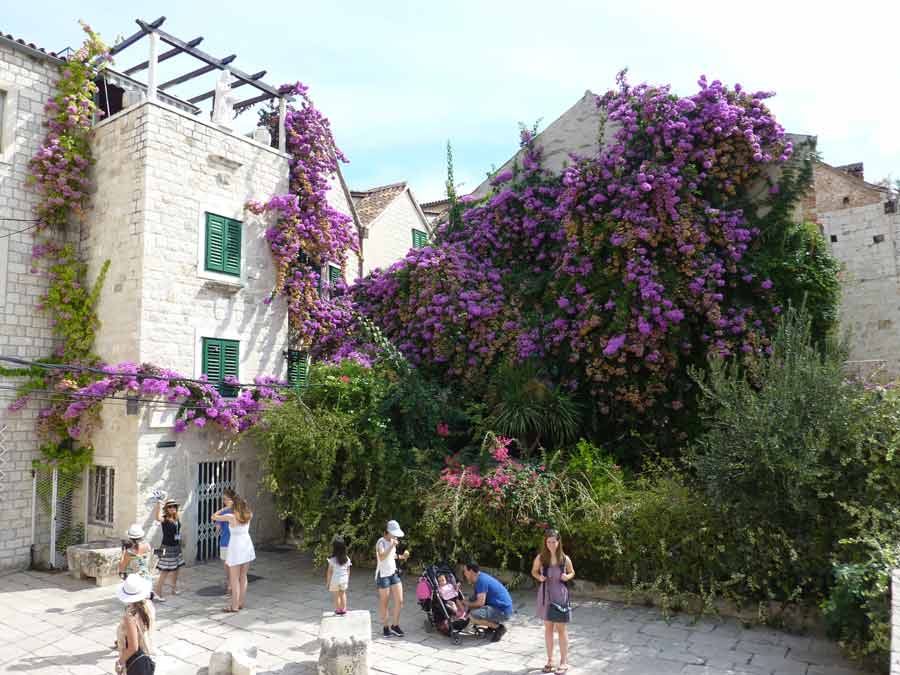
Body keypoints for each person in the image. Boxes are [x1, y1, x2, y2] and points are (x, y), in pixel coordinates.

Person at [532, 529, 576, 674]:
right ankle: (550, 660)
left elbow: (572, 572)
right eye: (548, 541)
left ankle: (564, 662)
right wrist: (539, 578)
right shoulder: (541, 558)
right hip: (545, 596)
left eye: (554, 542)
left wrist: (567, 577)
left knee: (561, 630)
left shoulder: (564, 559)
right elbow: (534, 571)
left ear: (558, 542)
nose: (551, 544)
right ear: (545, 542)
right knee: (548, 628)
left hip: (560, 596)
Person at [212, 494, 255, 612]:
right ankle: (240, 602)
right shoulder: (248, 515)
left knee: (234, 578)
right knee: (243, 576)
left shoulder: (230, 516)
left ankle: (234, 606)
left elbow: (213, 516)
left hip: (236, 546)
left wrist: (225, 508)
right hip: (246, 545)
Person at [114, 573, 157, 674]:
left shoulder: (130, 616)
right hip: (146, 654)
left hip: (134, 660)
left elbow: (133, 647)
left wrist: (120, 662)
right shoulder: (148, 605)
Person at [462, 561, 513, 642]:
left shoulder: (481, 581)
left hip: (503, 611)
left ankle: (499, 628)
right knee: (474, 607)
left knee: (473, 615)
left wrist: (466, 603)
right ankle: (491, 626)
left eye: (465, 571)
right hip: (501, 607)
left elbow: (480, 603)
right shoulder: (481, 577)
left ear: (471, 571)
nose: (464, 573)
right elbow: (476, 598)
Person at [375, 519, 409, 638]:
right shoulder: (381, 542)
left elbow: (392, 556)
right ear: (388, 532)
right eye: (393, 533)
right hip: (383, 575)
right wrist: (392, 546)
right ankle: (385, 627)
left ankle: (395, 625)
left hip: (393, 573)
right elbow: (382, 556)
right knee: (384, 603)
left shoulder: (393, 541)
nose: (395, 536)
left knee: (400, 601)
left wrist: (402, 557)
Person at [153, 498, 184, 601]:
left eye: (174, 506)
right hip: (167, 547)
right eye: (169, 507)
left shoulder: (177, 518)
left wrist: (180, 541)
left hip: (176, 547)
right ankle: (157, 592)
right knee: (165, 571)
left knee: (177, 569)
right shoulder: (165, 519)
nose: (172, 508)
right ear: (166, 509)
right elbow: (157, 518)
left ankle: (174, 588)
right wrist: (158, 503)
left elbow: (177, 533)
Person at [213, 488, 236, 596]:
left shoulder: (226, 512)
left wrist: (224, 509)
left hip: (229, 543)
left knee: (229, 565)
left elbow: (217, 526)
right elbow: (218, 527)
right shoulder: (237, 511)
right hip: (227, 542)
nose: (224, 501)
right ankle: (231, 583)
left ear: (232, 499)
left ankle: (231, 584)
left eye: (226, 499)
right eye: (223, 499)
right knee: (230, 565)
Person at [325, 535, 351, 615]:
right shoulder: (347, 558)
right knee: (343, 594)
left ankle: (338, 610)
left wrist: (328, 582)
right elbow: (348, 570)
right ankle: (344, 609)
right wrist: (347, 580)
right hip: (344, 579)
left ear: (334, 548)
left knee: (336, 596)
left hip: (335, 580)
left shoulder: (332, 560)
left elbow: (329, 572)